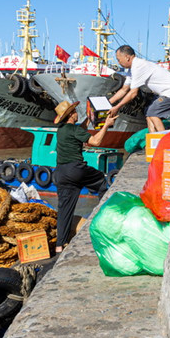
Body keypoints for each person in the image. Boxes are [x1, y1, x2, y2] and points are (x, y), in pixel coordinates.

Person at [53, 100, 116, 253]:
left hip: (60, 172)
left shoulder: (62, 130)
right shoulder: (73, 130)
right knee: (102, 182)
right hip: (75, 169)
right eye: (74, 112)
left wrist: (89, 118)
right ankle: (104, 221)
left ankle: (59, 246)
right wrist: (106, 125)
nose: (76, 113)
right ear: (71, 115)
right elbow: (95, 141)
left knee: (64, 209)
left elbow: (79, 130)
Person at [108, 45, 170, 133]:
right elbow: (124, 89)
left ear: (127, 57)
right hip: (167, 92)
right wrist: (108, 103)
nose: (118, 62)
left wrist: (117, 107)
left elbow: (133, 93)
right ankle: (151, 141)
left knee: (153, 113)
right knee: (148, 113)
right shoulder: (132, 70)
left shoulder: (138, 66)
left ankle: (163, 141)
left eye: (119, 59)